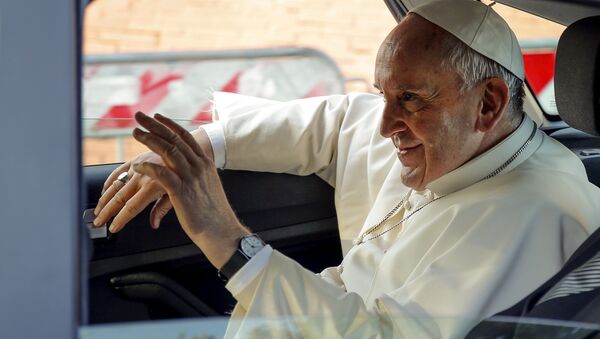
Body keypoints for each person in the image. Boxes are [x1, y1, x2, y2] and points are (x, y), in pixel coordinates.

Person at [93, 0, 600, 337]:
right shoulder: (448, 135)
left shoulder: (534, 214)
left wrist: (230, 242)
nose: (386, 124)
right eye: (384, 93)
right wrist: (198, 146)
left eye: (409, 99)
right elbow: (333, 123)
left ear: (488, 104)